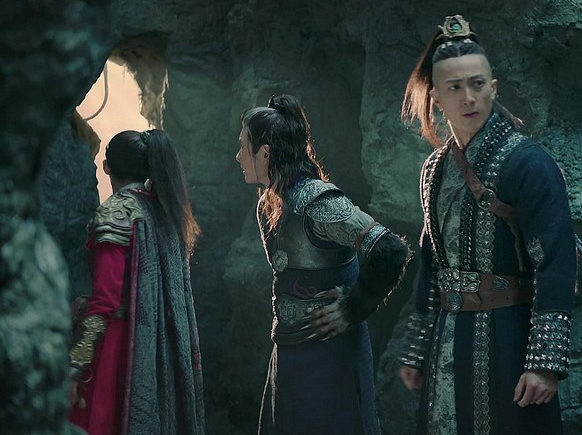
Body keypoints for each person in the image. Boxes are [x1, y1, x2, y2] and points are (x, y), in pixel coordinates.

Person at [397, 15, 577, 434]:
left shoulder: (529, 164)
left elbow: (556, 261)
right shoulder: (434, 170)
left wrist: (545, 364)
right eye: (454, 88)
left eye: (477, 84)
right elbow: (432, 264)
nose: (468, 97)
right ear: (437, 98)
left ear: (493, 88)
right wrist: (418, 347)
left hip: (509, 339)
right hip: (448, 339)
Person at [236, 94, 411, 435]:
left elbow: (390, 250)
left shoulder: (319, 202)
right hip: (289, 351)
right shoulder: (269, 204)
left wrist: (352, 306)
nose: (238, 156)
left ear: (265, 152)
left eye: (244, 147)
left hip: (330, 356)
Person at [68, 129, 204, 434]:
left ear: (106, 167)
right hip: (159, 350)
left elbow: (105, 302)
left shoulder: (116, 212)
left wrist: (76, 365)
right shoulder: (165, 209)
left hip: (117, 350)